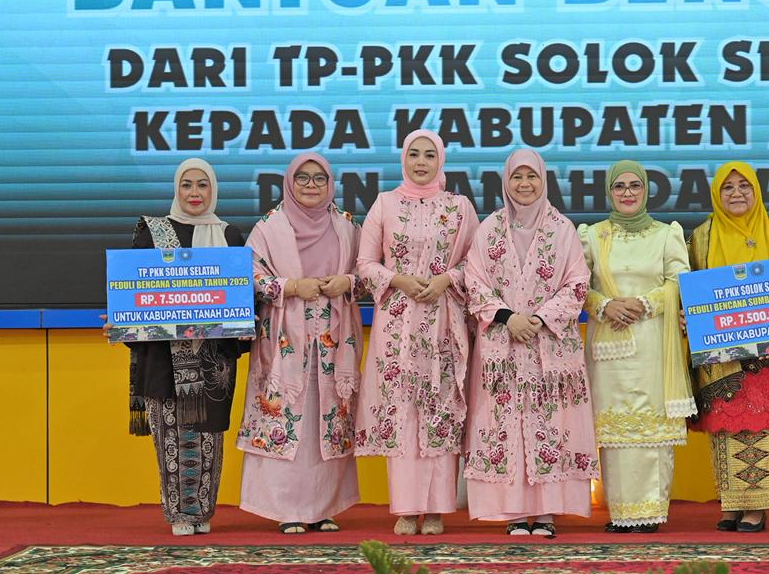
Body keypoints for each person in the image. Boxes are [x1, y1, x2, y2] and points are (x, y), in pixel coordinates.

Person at [464, 149, 598, 537]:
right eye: (517, 177)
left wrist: (538, 319)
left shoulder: (563, 229)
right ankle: (513, 513)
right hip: (502, 346)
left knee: (551, 424)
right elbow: (474, 281)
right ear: (506, 182)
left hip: (549, 348)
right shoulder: (489, 229)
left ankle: (546, 514)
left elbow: (577, 283)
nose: (524, 184)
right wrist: (509, 318)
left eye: (532, 177)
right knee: (504, 426)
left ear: (544, 181)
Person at [113, 158, 248, 536]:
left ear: (213, 190)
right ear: (176, 189)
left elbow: (242, 295)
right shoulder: (153, 232)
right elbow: (134, 289)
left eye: (202, 185)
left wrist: (246, 323)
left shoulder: (229, 235)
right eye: (187, 185)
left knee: (207, 437)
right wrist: (120, 319)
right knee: (171, 435)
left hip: (213, 360)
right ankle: (178, 513)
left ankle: (202, 510)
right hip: (163, 357)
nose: (194, 193)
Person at [355, 130, 478, 536]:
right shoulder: (384, 204)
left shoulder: (459, 207)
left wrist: (446, 279)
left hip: (444, 323)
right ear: (403, 160)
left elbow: (477, 264)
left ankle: (438, 508)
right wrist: (398, 279)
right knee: (403, 411)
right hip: (398, 326)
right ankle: (407, 509)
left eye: (429, 155)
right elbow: (365, 263)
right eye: (414, 154)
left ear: (441, 161)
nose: (421, 162)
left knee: (442, 409)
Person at [237, 152, 362, 534]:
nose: (311, 185)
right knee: (288, 415)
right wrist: (290, 286)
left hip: (334, 341)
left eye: (319, 178)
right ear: (289, 183)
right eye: (302, 178)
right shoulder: (269, 227)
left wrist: (347, 282)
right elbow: (248, 275)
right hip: (285, 340)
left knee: (325, 420)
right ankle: (286, 509)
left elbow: (369, 270)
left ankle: (323, 508)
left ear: (330, 184)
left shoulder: (346, 226)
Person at [578, 160, 694, 533]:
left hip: (653, 342)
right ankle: (621, 513)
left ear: (645, 190)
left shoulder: (666, 234)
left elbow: (679, 281)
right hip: (607, 343)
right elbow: (577, 286)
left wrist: (645, 304)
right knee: (615, 432)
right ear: (609, 191)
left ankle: (651, 512)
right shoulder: (592, 236)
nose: (627, 193)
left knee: (651, 430)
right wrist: (603, 305)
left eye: (635, 186)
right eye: (619, 186)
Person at [687, 162, 769, 533]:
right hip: (720, 357)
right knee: (724, 427)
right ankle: (732, 504)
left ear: (756, 191)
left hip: (765, 357)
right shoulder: (701, 238)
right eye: (728, 187)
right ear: (716, 194)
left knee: (760, 425)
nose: (736, 193)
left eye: (744, 186)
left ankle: (757, 507)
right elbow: (691, 290)